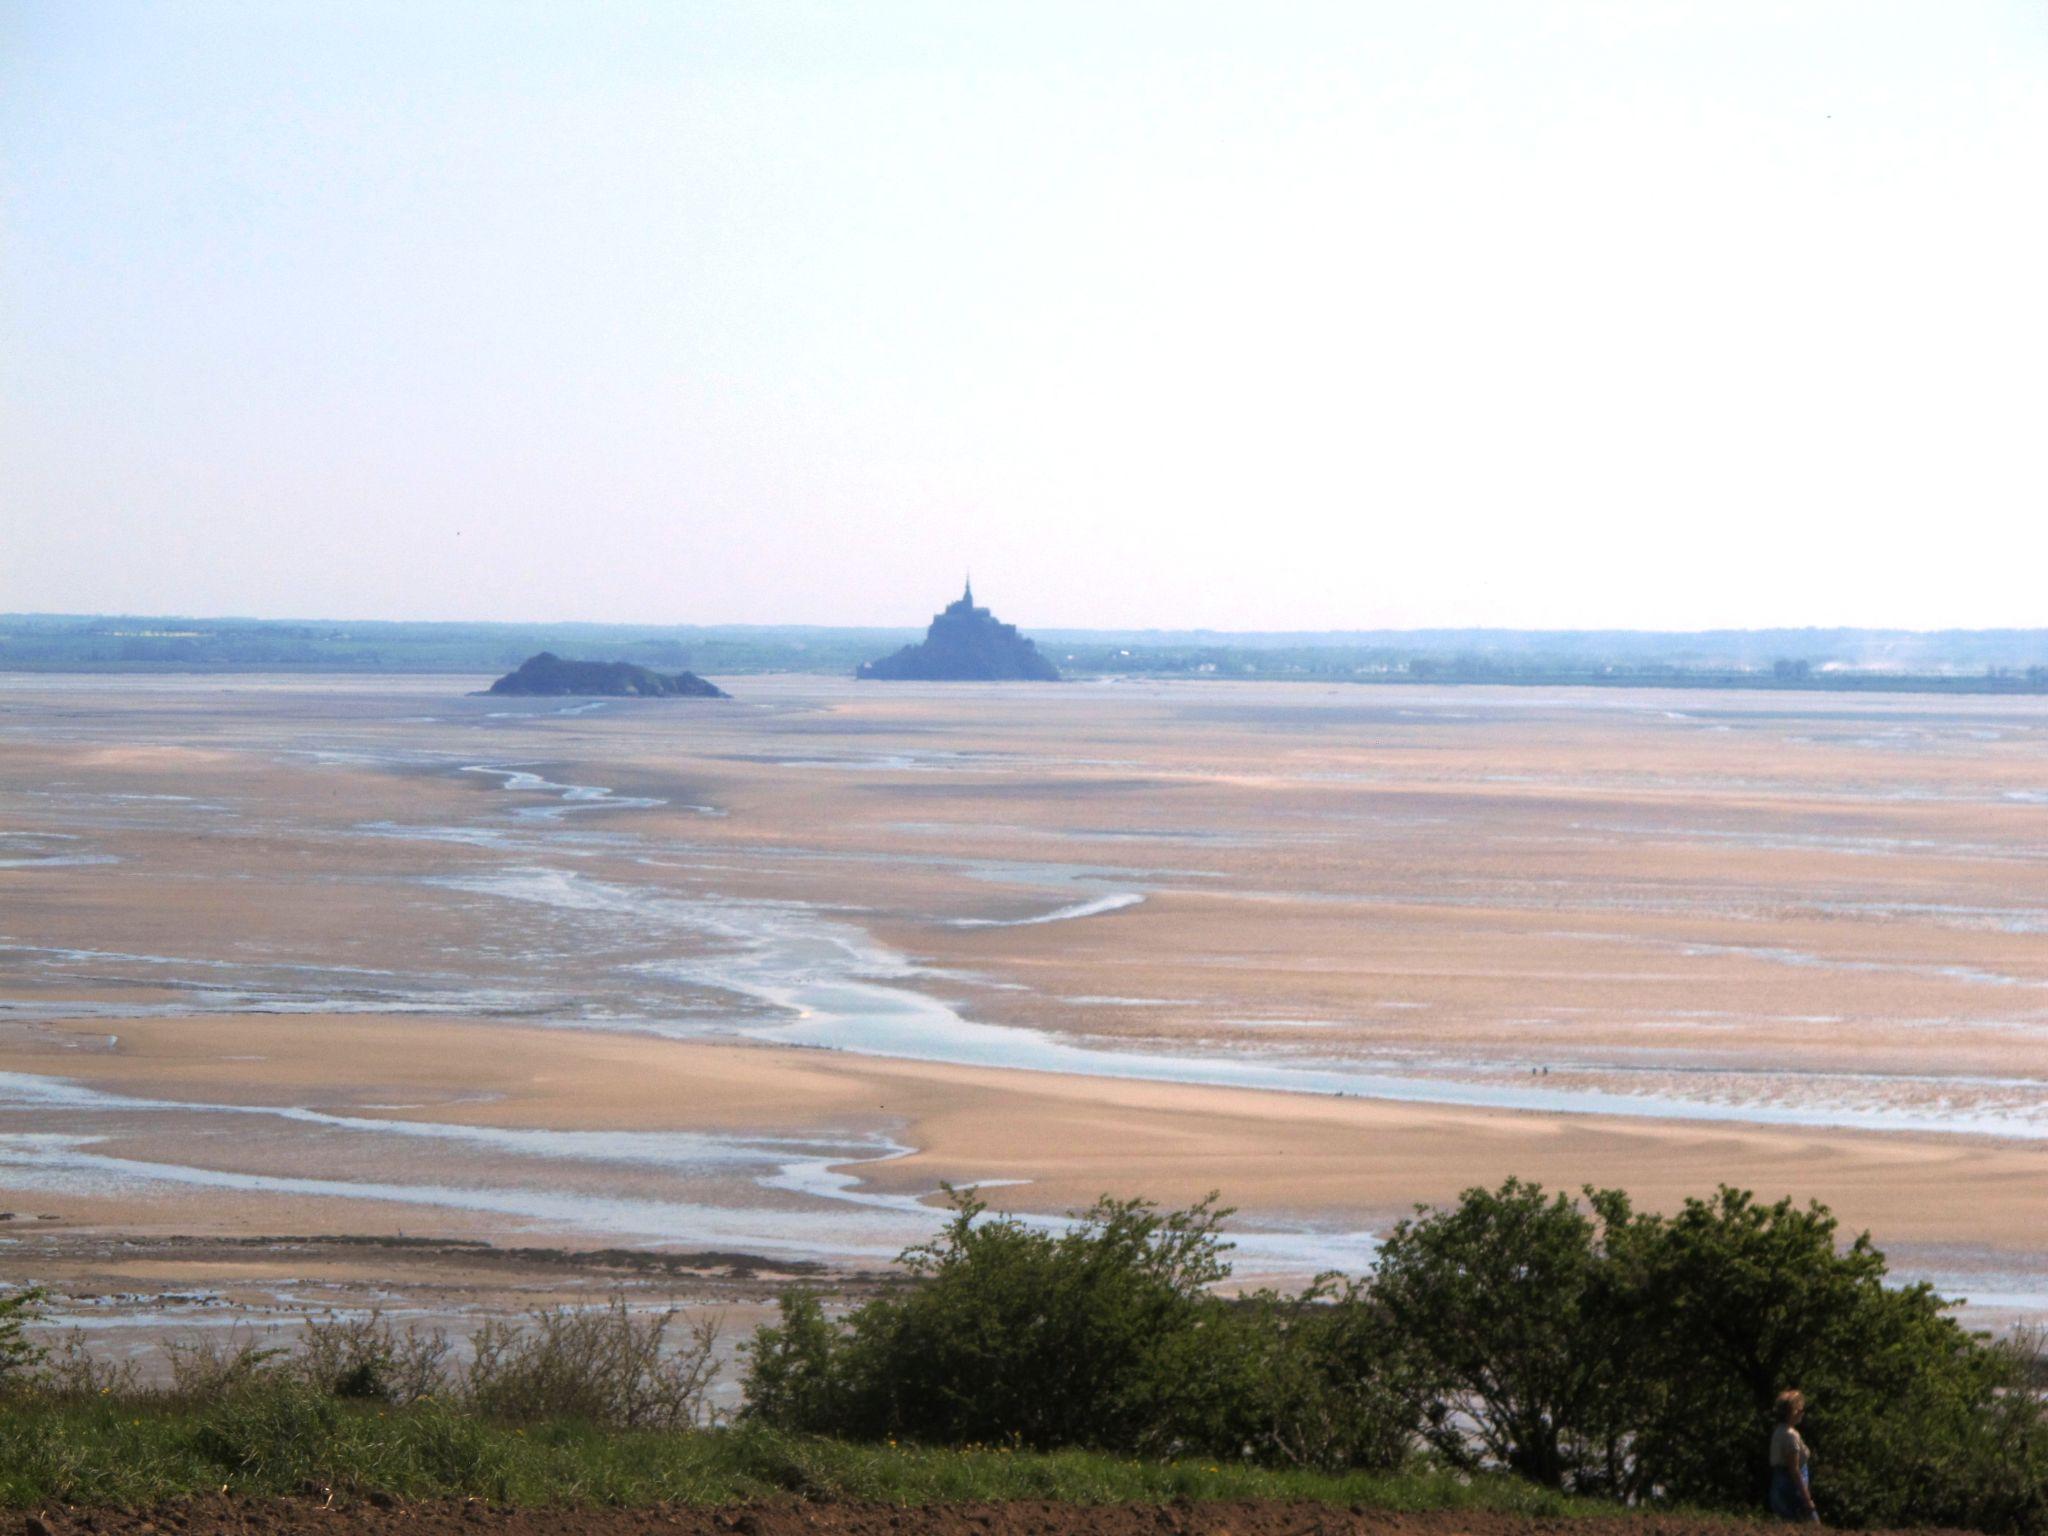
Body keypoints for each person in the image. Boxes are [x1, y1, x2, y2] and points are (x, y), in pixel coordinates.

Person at [1769, 1389, 1820, 1522]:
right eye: (1799, 1410)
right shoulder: (1791, 1436)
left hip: (1778, 1487)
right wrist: (1808, 1501)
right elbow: (1794, 1470)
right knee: (1812, 1525)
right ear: (1792, 1412)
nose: (1802, 1413)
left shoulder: (1778, 1432)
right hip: (1792, 1490)